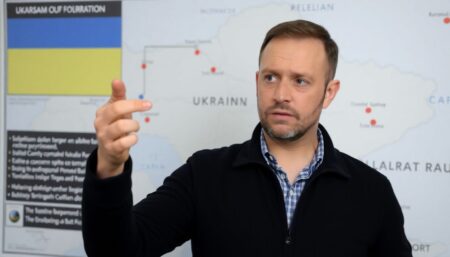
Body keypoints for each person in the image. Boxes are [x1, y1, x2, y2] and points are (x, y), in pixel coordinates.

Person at [82, 20, 412, 257]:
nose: (281, 94)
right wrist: (109, 169)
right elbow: (117, 251)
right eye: (271, 77)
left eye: (300, 81)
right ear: (257, 81)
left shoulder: (373, 191)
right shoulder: (204, 174)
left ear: (329, 92)